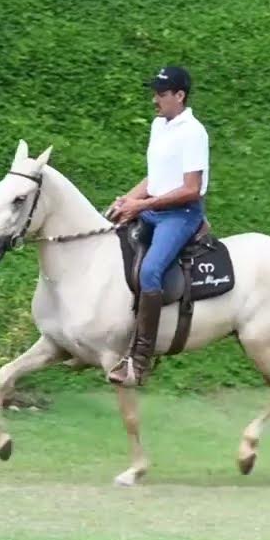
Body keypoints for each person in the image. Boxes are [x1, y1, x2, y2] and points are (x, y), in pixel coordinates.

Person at [106, 65, 210, 387]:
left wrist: (142, 205)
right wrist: (126, 201)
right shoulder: (159, 125)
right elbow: (156, 177)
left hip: (181, 214)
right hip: (153, 207)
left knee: (151, 271)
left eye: (162, 94)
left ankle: (140, 361)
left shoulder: (194, 132)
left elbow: (191, 188)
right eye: (155, 93)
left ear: (180, 96)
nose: (155, 100)